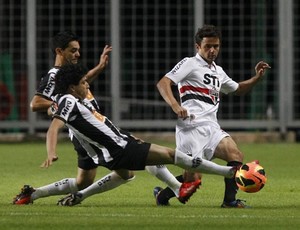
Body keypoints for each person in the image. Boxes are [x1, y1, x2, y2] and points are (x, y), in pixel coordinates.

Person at [13, 30, 198, 205]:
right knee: (135, 155)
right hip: (87, 131)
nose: (78, 54)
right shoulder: (54, 75)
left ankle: (34, 194)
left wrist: (99, 68)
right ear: (59, 51)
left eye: (78, 50)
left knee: (84, 181)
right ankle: (178, 188)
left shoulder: (70, 74)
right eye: (73, 51)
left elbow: (79, 86)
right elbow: (35, 103)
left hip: (91, 125)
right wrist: (60, 106)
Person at [43, 63, 240, 206]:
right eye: (83, 82)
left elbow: (99, 124)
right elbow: (54, 128)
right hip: (119, 148)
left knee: (127, 174)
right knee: (172, 156)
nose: (87, 86)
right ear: (71, 87)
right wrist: (51, 151)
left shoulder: (69, 100)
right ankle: (222, 173)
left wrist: (126, 135)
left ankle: (70, 196)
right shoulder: (69, 100)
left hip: (115, 148)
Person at [154, 24, 271, 208]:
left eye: (216, 46)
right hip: (190, 128)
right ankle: (162, 195)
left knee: (235, 154)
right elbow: (163, 83)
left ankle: (229, 201)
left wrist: (256, 78)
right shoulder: (189, 63)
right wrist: (176, 106)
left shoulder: (218, 71)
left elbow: (238, 89)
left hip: (212, 127)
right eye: (208, 46)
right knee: (192, 180)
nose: (212, 50)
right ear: (197, 47)